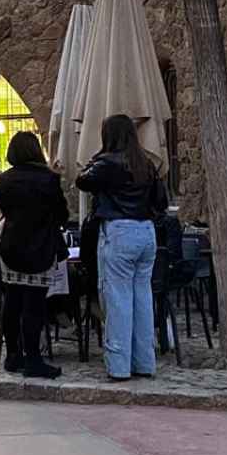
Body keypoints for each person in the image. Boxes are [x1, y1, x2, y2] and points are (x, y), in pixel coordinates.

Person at [76, 114, 167, 381]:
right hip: (146, 231)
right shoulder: (146, 163)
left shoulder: (106, 163)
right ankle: (145, 361)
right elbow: (160, 201)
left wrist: (96, 157)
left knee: (118, 299)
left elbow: (82, 181)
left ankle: (119, 365)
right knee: (143, 298)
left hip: (119, 230)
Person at [0, 131, 69, 379]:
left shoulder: (4, 179)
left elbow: (5, 209)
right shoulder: (49, 179)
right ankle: (33, 359)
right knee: (34, 305)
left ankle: (13, 354)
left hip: (11, 245)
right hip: (40, 246)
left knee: (12, 301)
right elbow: (61, 213)